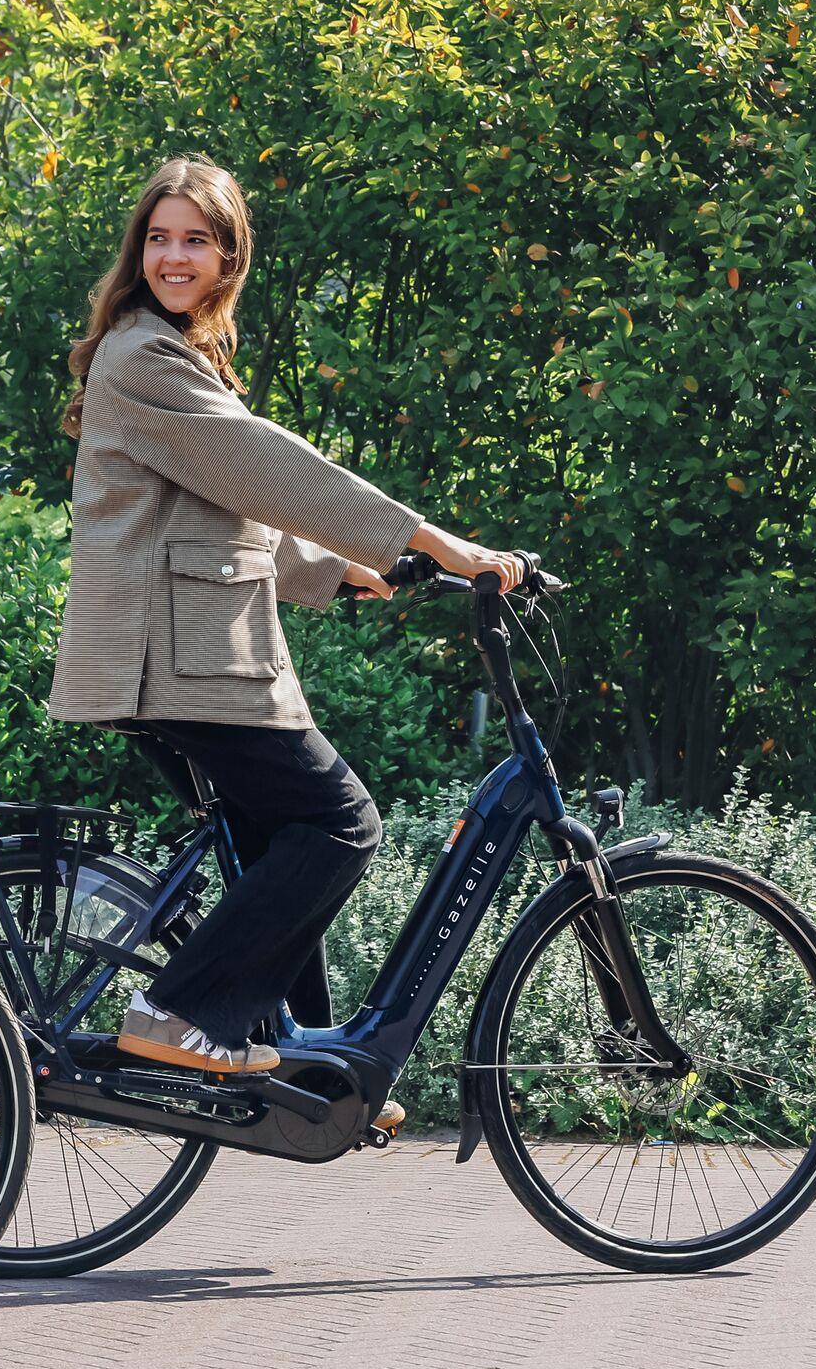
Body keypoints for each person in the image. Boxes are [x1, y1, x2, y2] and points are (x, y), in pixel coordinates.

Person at [46, 157, 525, 1080]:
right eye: (159, 238)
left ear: (228, 258)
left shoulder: (177, 353)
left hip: (195, 650)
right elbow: (275, 466)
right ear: (138, 250)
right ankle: (179, 1012)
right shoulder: (142, 354)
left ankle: (307, 1073)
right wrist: (436, 543)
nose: (173, 256)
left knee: (280, 841)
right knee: (341, 823)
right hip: (177, 658)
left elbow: (222, 498)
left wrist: (338, 567)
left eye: (194, 240)